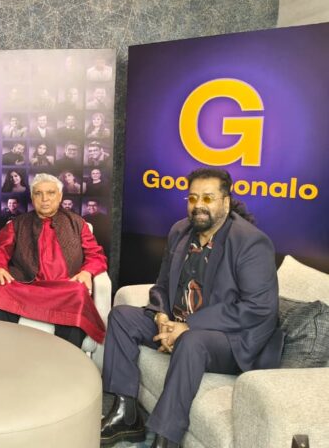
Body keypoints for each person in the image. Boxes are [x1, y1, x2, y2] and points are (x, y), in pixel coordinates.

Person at [100, 168, 282, 448]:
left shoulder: (250, 242)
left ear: (225, 202)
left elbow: (259, 308)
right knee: (122, 317)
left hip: (231, 340)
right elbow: (162, 284)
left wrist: (188, 326)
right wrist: (161, 316)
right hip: (179, 324)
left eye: (208, 198)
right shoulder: (180, 231)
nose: (199, 205)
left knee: (191, 341)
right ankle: (126, 414)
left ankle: (166, 437)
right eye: (193, 198)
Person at [0, 173, 107, 348]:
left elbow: (95, 254)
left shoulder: (77, 223)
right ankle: (7, 350)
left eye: (50, 193)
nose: (45, 199)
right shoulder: (18, 223)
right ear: (32, 197)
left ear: (60, 196)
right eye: (38, 193)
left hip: (64, 289)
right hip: (27, 286)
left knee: (79, 293)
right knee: (1, 289)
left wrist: (87, 272)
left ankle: (67, 355)